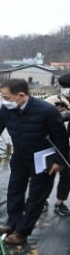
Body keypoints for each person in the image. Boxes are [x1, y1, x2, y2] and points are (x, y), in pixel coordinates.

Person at [0, 78, 69, 245]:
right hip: (20, 157)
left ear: (21, 95)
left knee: (36, 197)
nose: (4, 101)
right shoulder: (7, 109)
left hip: (42, 159)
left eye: (7, 97)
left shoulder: (46, 111)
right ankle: (12, 223)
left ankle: (22, 232)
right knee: (14, 191)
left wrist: (59, 162)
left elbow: (61, 138)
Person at [43, 73, 70, 216]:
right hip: (53, 144)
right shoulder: (52, 101)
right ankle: (42, 200)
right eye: (65, 87)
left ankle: (60, 202)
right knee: (48, 172)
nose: (67, 90)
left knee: (67, 175)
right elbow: (41, 121)